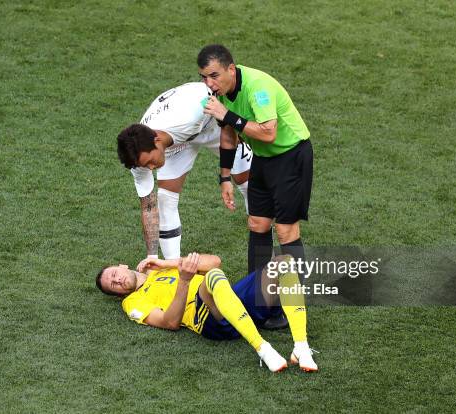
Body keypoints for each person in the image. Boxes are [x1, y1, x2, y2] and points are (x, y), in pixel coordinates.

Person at [197, 45, 313, 284]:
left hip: (291, 156)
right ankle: (257, 297)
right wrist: (225, 178)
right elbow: (229, 135)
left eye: (214, 76)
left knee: (285, 230)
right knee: (257, 223)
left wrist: (226, 114)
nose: (209, 83)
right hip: (263, 158)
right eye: (204, 77)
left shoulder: (257, 87)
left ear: (231, 69)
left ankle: (294, 301)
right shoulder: (220, 92)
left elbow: (268, 133)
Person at [95, 252, 318, 373]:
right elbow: (169, 322)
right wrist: (183, 280)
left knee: (284, 263)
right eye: (112, 284)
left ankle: (301, 347)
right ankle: (263, 349)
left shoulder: (159, 270)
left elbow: (214, 261)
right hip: (209, 318)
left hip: (230, 300)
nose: (117, 279)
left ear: (122, 266)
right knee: (213, 277)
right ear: (118, 295)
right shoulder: (133, 303)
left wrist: (166, 262)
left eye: (114, 273)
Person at [117, 82, 253, 260]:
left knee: (248, 180)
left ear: (157, 140)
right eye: (145, 165)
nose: (150, 168)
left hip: (211, 124)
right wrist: (151, 257)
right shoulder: (138, 158)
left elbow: (225, 109)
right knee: (165, 200)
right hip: (176, 144)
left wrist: (225, 175)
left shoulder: (190, 111)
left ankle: (260, 227)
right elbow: (148, 207)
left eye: (150, 161)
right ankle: (171, 268)